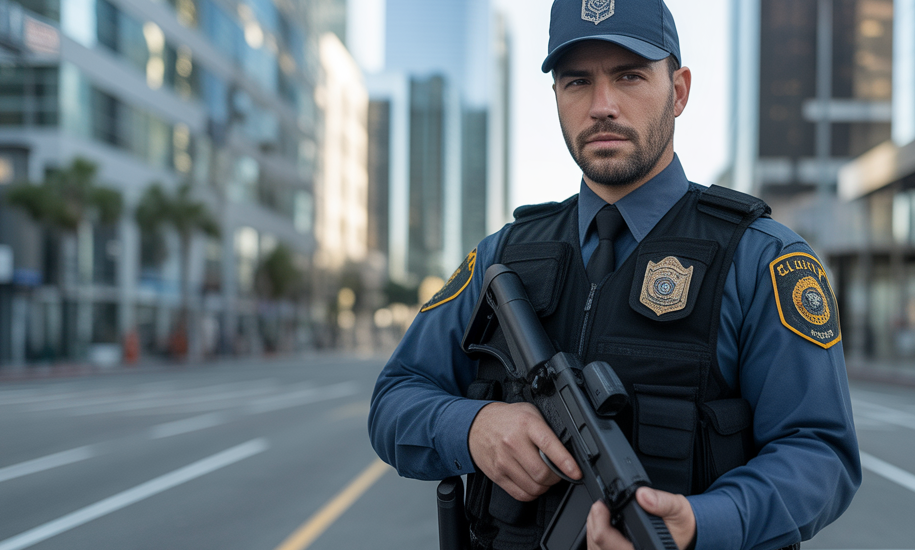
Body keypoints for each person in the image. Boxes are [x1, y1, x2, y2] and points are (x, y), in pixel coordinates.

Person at [368, 1, 861, 548]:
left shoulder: (760, 258)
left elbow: (820, 453)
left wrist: (703, 524)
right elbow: (394, 399)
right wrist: (472, 427)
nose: (602, 106)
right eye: (577, 82)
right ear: (556, 97)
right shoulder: (501, 255)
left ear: (678, 91)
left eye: (629, 75)